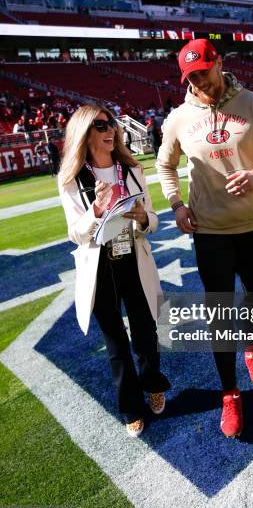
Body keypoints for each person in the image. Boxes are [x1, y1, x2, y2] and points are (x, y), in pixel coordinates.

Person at [156, 39, 253, 438]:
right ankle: (230, 393)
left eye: (203, 71)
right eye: (191, 77)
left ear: (219, 62)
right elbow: (165, 165)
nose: (198, 81)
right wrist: (176, 204)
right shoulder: (178, 119)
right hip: (209, 232)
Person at [58, 105, 170, 437]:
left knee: (146, 332)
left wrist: (142, 217)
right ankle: (130, 407)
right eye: (102, 125)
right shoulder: (71, 180)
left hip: (134, 261)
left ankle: (153, 384)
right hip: (100, 269)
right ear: (84, 133)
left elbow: (153, 219)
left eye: (113, 124)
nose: (112, 130)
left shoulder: (133, 169)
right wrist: (94, 212)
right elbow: (76, 234)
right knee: (116, 343)